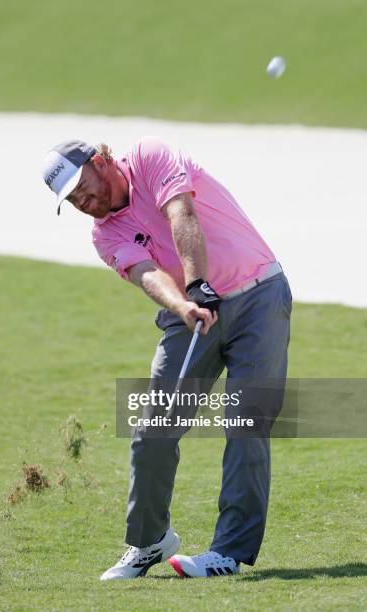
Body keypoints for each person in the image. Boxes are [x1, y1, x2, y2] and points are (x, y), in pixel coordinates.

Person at [42, 137, 292, 579]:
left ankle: (228, 553)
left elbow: (181, 212)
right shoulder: (104, 234)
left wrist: (198, 283)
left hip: (258, 294)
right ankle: (149, 540)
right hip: (189, 312)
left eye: (84, 187)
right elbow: (145, 272)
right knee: (152, 425)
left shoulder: (149, 157)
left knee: (246, 424)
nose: (84, 201)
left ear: (101, 162)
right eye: (73, 199)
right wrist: (185, 304)